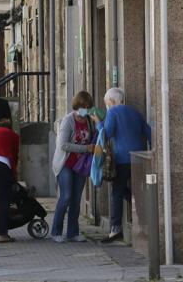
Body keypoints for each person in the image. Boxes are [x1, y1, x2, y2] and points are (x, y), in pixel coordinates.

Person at [94, 87, 151, 243]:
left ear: (111, 101)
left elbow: (107, 134)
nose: (107, 106)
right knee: (137, 191)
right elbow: (148, 131)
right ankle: (143, 224)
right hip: (139, 158)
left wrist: (99, 124)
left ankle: (115, 228)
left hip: (121, 159)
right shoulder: (135, 112)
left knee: (117, 192)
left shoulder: (113, 112)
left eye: (107, 103)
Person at [50, 91, 96, 243]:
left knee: (76, 199)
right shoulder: (68, 121)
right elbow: (63, 145)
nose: (85, 110)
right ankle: (56, 231)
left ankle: (73, 232)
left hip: (80, 165)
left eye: (88, 107)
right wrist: (86, 148)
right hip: (65, 164)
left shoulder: (89, 121)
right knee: (66, 196)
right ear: (76, 106)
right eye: (82, 107)